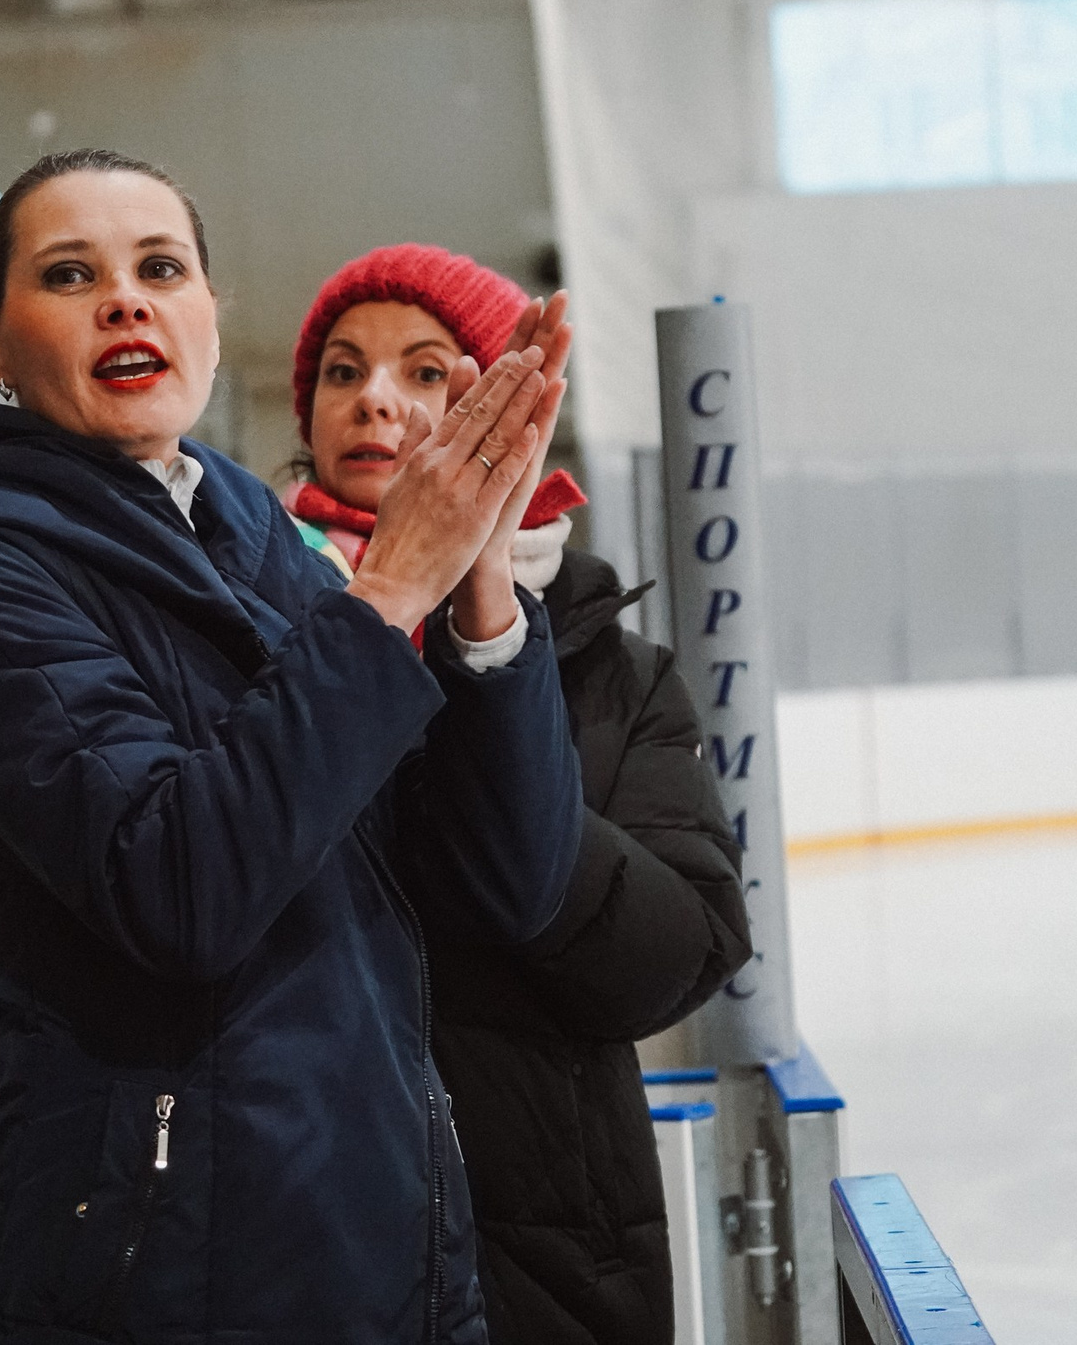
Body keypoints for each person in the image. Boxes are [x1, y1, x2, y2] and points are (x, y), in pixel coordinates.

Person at [0, 149, 585, 1345]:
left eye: (161, 268)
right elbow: (181, 892)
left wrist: (476, 594)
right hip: (166, 1269)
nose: (126, 299)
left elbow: (504, 884)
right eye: (69, 274)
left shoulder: (243, 522)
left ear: (211, 317)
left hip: (375, 1231)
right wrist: (389, 584)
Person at [288, 244, 752, 1345]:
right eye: (341, 372)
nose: (376, 402)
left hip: (547, 1256)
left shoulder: (615, 674)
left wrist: (485, 631)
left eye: (429, 373)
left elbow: (666, 961)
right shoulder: (245, 626)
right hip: (300, 1220)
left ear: (516, 413)